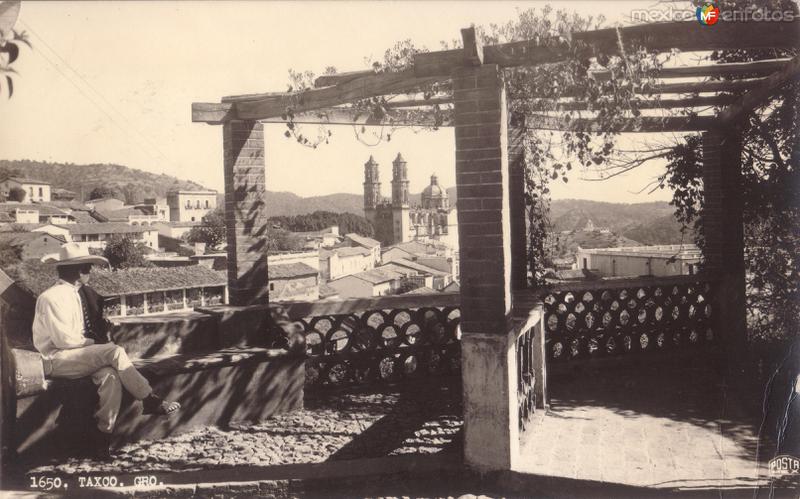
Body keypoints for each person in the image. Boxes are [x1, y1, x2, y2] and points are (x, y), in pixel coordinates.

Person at [33, 243, 180, 459]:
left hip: (77, 357)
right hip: (56, 359)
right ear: (75, 270)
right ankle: (150, 399)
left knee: (111, 378)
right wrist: (97, 343)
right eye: (86, 268)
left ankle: (101, 440)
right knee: (115, 352)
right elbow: (64, 340)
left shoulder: (76, 294)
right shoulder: (51, 297)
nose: (90, 272)